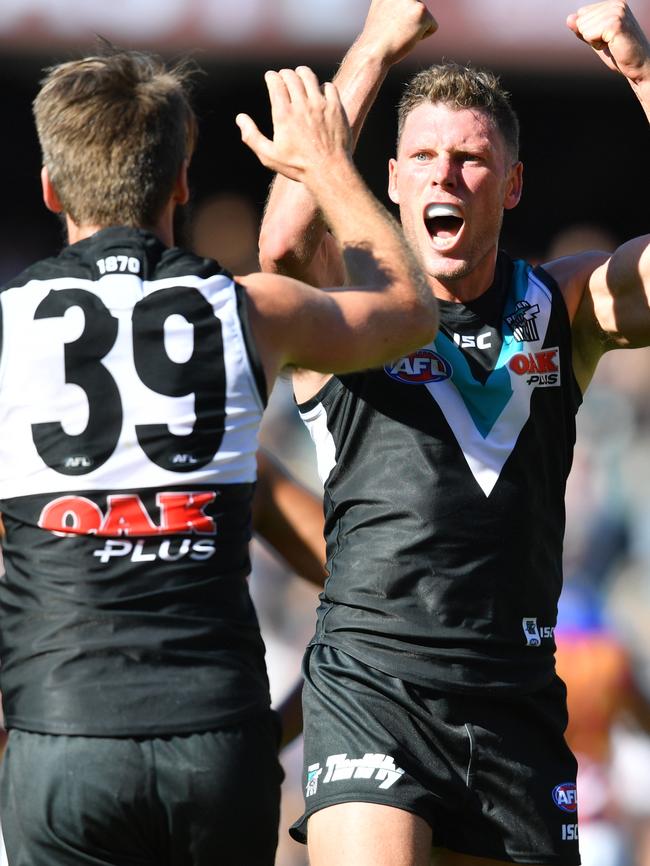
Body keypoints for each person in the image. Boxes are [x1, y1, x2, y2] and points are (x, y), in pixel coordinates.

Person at [0, 48, 438, 866]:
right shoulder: (249, 308)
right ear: (182, 182)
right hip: (217, 737)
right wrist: (328, 168)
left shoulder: (8, 329)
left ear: (52, 188)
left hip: (64, 734)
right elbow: (411, 313)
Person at [258, 0, 650, 864]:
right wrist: (373, 48)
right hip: (374, 682)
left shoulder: (563, 304)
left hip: (517, 702)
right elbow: (284, 248)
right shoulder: (348, 315)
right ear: (391, 179)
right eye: (426, 158)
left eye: (473, 160)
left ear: (511, 187)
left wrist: (642, 72)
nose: (447, 177)